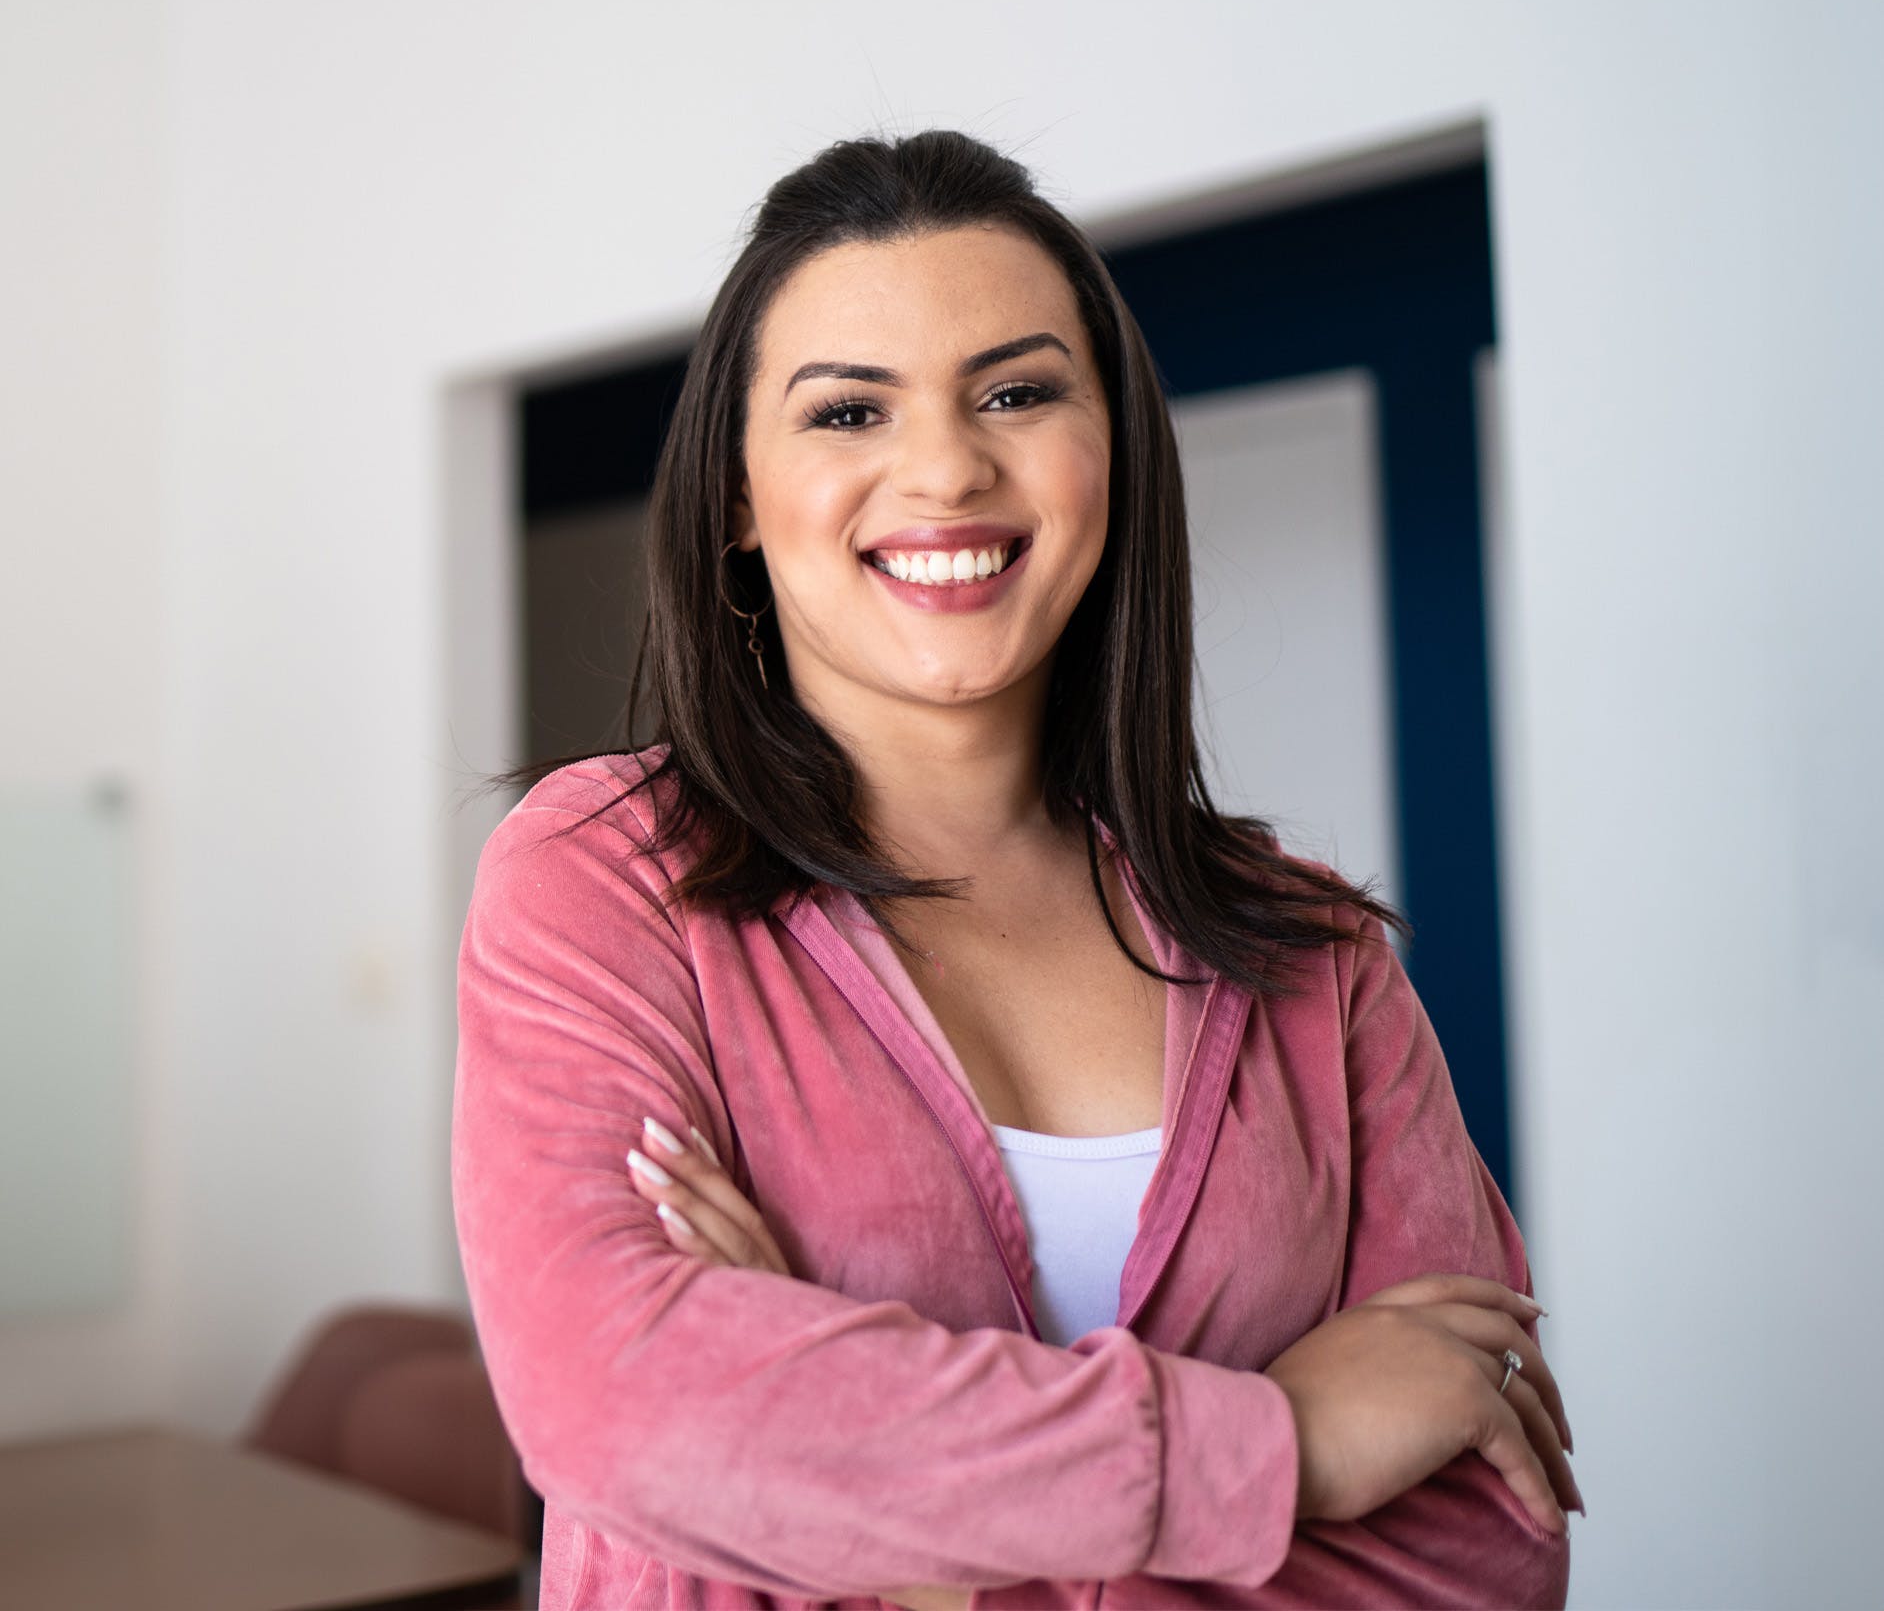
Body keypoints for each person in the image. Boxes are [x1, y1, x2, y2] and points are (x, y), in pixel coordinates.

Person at [452, 129, 1579, 1610]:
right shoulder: (609, 880)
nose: (944, 466)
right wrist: (1284, 1440)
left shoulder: (1313, 952)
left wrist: (886, 1519)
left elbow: (1487, 1546)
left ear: (1108, 449)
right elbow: (625, 1412)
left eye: (1019, 390)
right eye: (849, 411)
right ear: (735, 499)